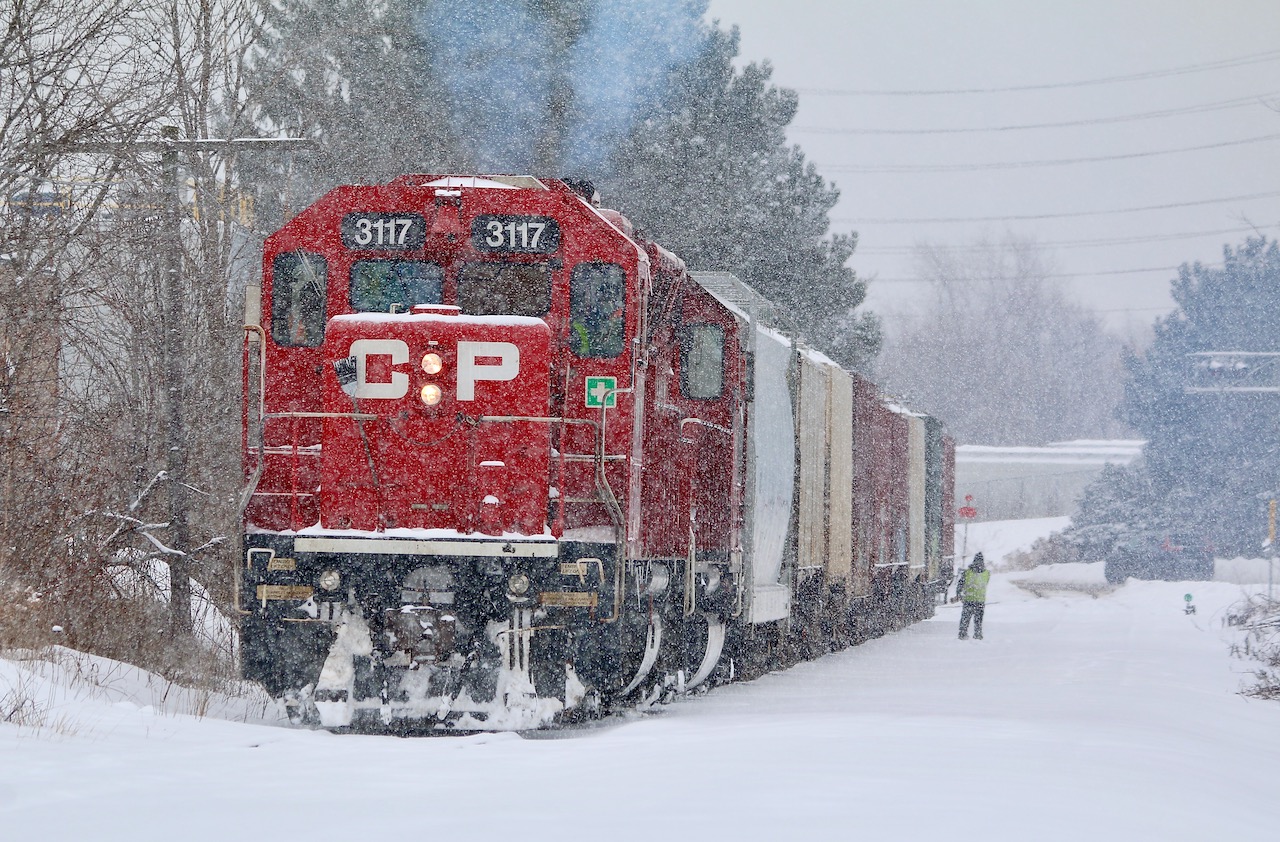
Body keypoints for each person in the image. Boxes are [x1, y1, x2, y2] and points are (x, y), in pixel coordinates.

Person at [953, 553, 990, 640]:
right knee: (978, 621)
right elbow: (985, 583)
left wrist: (959, 594)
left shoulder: (967, 572)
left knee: (965, 619)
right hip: (980, 601)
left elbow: (960, 584)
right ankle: (978, 634)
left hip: (968, 600)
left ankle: (962, 634)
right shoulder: (987, 573)